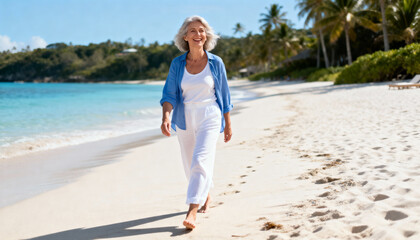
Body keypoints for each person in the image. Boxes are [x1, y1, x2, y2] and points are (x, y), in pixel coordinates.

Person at [160, 15, 233, 230]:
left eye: (201, 30)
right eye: (192, 30)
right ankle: (205, 193)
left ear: (206, 35)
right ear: (185, 36)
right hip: (184, 116)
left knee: (201, 160)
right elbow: (169, 94)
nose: (198, 34)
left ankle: (192, 210)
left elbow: (225, 96)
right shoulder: (177, 64)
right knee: (189, 164)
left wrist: (227, 123)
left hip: (210, 114)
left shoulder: (215, 62)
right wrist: (166, 117)